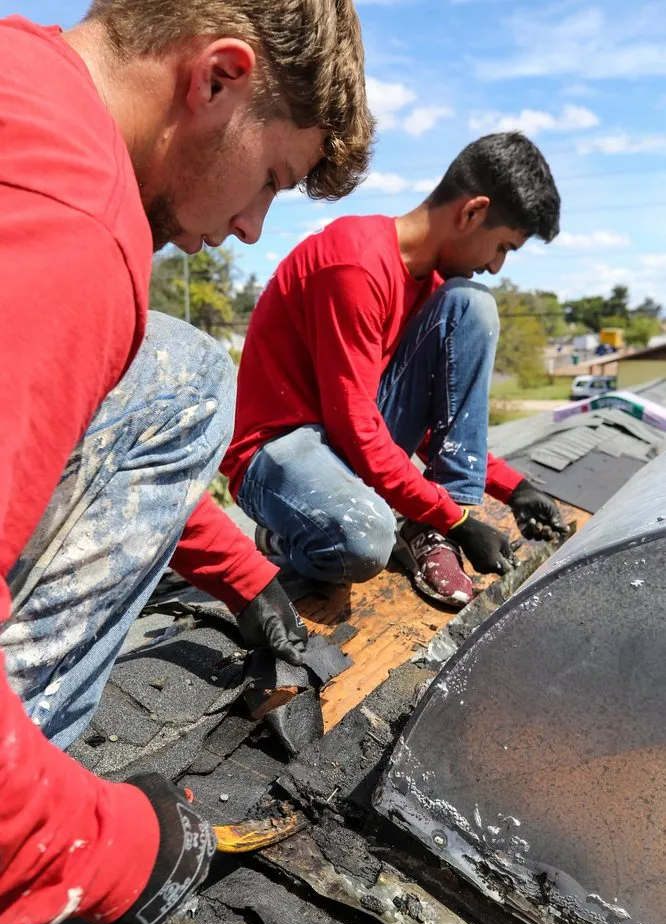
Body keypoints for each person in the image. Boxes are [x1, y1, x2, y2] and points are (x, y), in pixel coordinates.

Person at [0, 0, 372, 924]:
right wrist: (104, 848)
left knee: (170, 364)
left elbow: (74, 428)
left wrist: (245, 574)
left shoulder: (23, 88)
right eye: (271, 180)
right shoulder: (74, 216)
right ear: (216, 77)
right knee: (198, 375)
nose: (251, 228)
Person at [220, 132, 567, 608]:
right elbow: (358, 429)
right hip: (278, 448)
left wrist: (516, 489)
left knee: (473, 306)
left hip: (345, 439)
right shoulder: (357, 264)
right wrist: (460, 522)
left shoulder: (437, 287)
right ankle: (283, 535)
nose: (495, 266)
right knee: (364, 543)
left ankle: (429, 529)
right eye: (502, 246)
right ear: (472, 213)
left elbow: (434, 422)